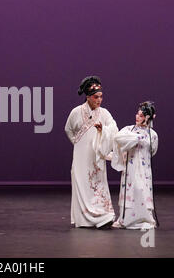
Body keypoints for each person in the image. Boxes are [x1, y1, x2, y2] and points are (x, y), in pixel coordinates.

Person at [64, 76, 118, 229]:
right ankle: (84, 219)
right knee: (82, 183)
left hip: (96, 156)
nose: (99, 100)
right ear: (87, 97)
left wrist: (104, 131)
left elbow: (114, 128)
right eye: (96, 97)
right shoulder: (76, 112)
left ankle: (103, 216)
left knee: (98, 183)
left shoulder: (104, 113)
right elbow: (68, 129)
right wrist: (77, 141)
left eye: (101, 96)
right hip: (81, 156)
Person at [111, 101, 159, 229]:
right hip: (130, 168)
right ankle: (126, 219)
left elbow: (153, 150)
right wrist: (135, 138)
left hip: (144, 168)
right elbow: (118, 138)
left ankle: (145, 218)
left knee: (142, 189)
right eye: (137, 115)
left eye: (142, 116)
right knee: (132, 189)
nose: (138, 117)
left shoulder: (152, 135)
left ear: (148, 118)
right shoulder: (128, 130)